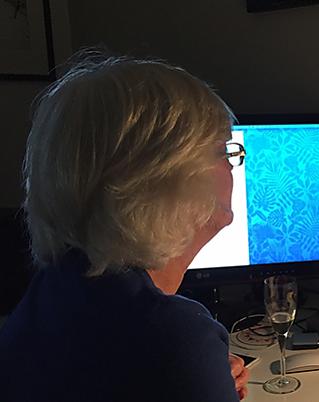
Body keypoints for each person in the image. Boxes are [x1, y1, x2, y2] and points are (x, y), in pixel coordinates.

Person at [0, 53, 249, 402]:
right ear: (173, 179)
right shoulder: (173, 337)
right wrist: (192, 368)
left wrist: (203, 376)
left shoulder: (52, 289)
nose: (233, 166)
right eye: (224, 152)